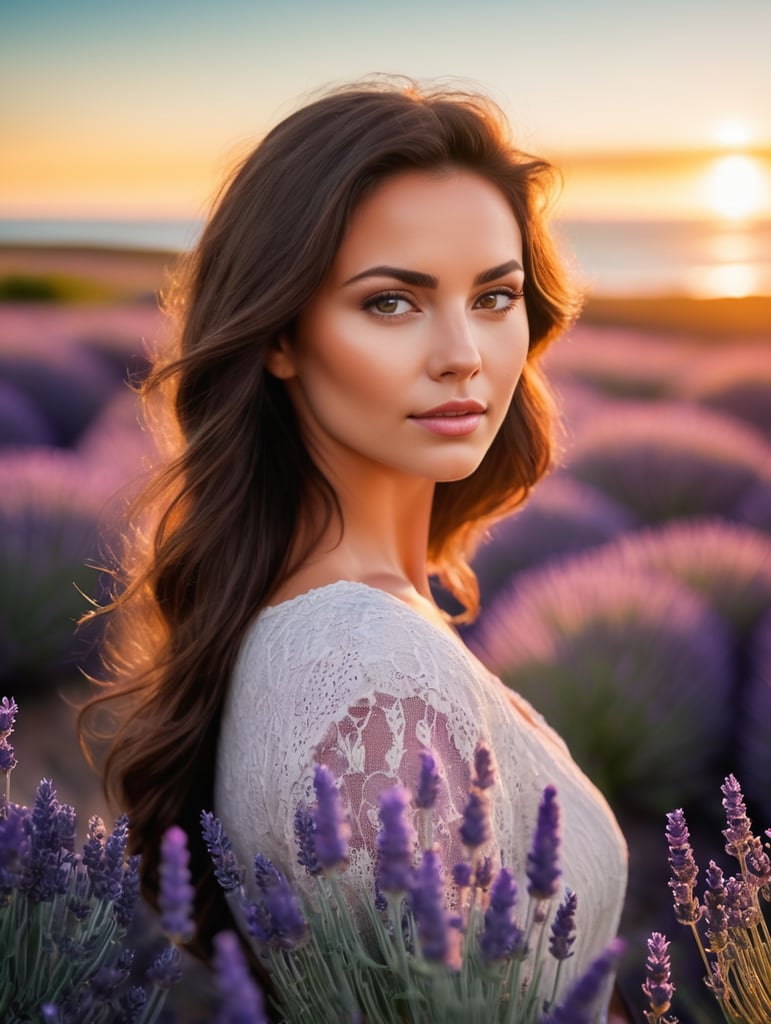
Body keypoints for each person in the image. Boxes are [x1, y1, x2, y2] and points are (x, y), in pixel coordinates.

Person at [82, 79, 629, 1019]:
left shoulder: (351, 618)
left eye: (494, 296)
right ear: (282, 335)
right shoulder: (369, 671)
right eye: (391, 303)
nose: (463, 352)